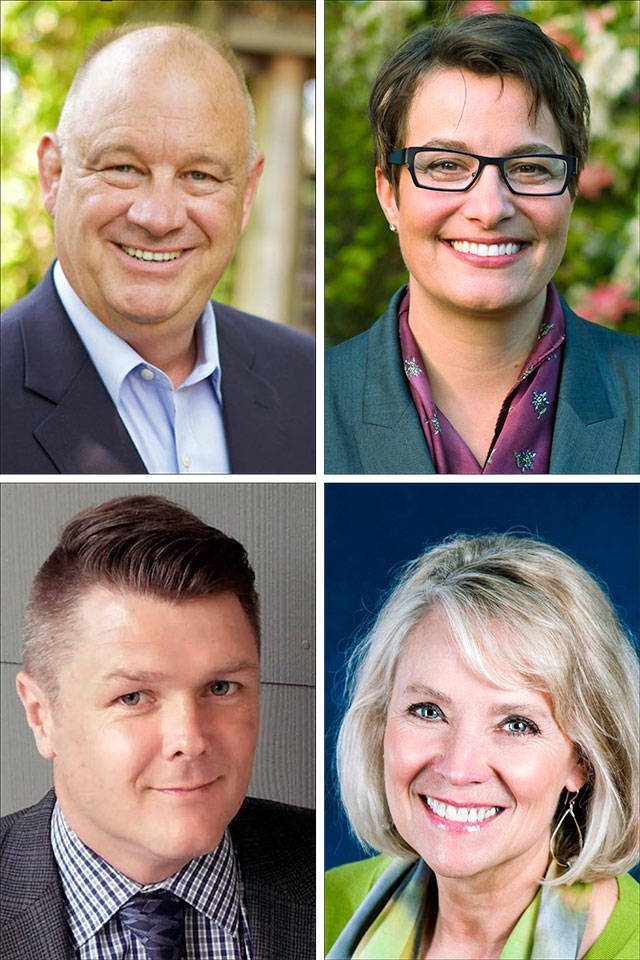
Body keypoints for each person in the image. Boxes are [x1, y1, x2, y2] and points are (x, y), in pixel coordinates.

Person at [1, 495, 314, 960]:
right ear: (41, 715)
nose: (190, 740)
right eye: (132, 697)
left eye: (222, 687)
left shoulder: (334, 872)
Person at [325, 13, 639, 474]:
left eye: (531, 168)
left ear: (571, 191)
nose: (490, 209)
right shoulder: (307, 400)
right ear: (389, 195)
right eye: (446, 166)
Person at [1, 22, 314, 475]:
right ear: (53, 175)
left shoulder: (307, 379)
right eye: (123, 167)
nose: (159, 217)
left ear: (246, 194)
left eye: (199, 176)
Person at [325, 533, 639, 959]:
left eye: (516, 724)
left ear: (582, 760)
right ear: (380, 721)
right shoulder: (326, 907)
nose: (458, 768)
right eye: (428, 711)